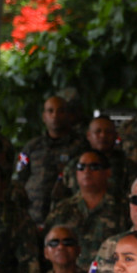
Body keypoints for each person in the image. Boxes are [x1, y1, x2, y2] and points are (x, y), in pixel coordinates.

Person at [18, 95, 82, 224]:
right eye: (50, 111)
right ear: (44, 116)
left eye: (61, 111)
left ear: (68, 115)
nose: (55, 115)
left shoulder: (80, 146)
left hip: (66, 217)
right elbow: (21, 178)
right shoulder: (32, 146)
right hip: (33, 216)